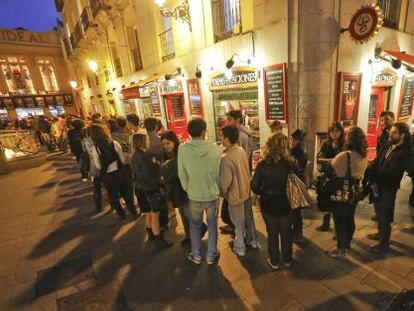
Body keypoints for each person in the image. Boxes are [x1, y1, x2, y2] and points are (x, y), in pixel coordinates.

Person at [178, 118, 221, 265]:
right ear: (203, 132)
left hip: (194, 195)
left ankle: (196, 255)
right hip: (211, 194)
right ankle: (211, 255)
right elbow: (218, 171)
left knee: (194, 225)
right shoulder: (214, 148)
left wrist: (187, 188)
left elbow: (181, 173)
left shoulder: (182, 149)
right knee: (213, 224)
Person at [365, 122, 412, 253]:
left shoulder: (405, 152)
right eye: (391, 132)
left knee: (385, 214)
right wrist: (370, 171)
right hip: (376, 185)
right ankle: (380, 234)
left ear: (402, 135)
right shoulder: (388, 145)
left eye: (394, 132)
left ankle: (384, 243)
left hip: (388, 188)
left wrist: (376, 177)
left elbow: (392, 172)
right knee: (378, 211)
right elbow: (377, 160)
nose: (390, 134)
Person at [251, 133, 295, 270]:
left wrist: (262, 193)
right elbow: (298, 181)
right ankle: (287, 259)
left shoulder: (263, 164)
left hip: (269, 202)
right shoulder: (290, 163)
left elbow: (254, 185)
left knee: (272, 232)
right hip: (286, 202)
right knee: (286, 232)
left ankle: (274, 260)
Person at [160, 130, 207, 246]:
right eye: (164, 144)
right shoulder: (168, 155)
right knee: (183, 214)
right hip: (177, 189)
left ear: (174, 142)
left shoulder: (181, 152)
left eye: (168, 143)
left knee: (189, 215)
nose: (166, 146)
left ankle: (199, 231)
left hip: (186, 189)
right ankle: (188, 236)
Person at [329, 127, 368, 258]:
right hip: (354, 192)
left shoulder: (345, 155)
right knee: (350, 217)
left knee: (339, 220)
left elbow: (330, 169)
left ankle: (341, 250)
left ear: (349, 139)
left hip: (341, 192)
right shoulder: (364, 156)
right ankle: (348, 243)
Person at [220, 125, 258, 257]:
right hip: (246, 191)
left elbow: (225, 182)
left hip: (235, 195)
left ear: (227, 138)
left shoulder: (226, 157)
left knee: (238, 222)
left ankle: (240, 247)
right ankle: (252, 241)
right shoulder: (241, 150)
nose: (221, 138)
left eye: (222, 136)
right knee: (249, 218)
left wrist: (223, 193)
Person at [131, 133, 172, 249]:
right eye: (147, 140)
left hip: (139, 188)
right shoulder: (145, 156)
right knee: (155, 215)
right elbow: (152, 174)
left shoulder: (134, 155)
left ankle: (150, 234)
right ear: (143, 141)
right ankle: (159, 240)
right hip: (150, 189)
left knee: (148, 212)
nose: (148, 141)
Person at [90, 124, 138, 220]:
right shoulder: (114, 143)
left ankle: (121, 214)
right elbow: (123, 160)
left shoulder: (95, 148)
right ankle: (133, 212)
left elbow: (98, 165)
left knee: (113, 196)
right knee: (126, 194)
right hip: (119, 173)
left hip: (107, 176)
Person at [220, 110, 254, 236]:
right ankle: (245, 233)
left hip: (239, 176)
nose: (227, 122)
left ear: (237, 120)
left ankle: (240, 233)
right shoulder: (243, 134)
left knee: (240, 208)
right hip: (242, 174)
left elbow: (242, 155)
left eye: (230, 120)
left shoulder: (240, 135)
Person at [316, 122, 345, 232]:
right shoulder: (325, 143)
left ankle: (338, 229)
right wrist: (332, 160)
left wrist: (327, 161)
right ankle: (325, 224)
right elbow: (318, 158)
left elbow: (342, 161)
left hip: (339, 177)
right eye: (332, 131)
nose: (334, 133)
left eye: (337, 131)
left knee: (338, 203)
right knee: (325, 201)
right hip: (327, 176)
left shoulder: (344, 144)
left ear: (341, 132)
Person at [290, 129, 308, 243]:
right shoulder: (303, 149)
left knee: (295, 210)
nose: (291, 141)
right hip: (300, 180)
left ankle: (297, 234)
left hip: (294, 182)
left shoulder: (296, 150)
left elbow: (294, 167)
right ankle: (298, 233)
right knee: (296, 210)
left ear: (296, 140)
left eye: (292, 139)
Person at [82, 126, 102, 211]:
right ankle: (113, 204)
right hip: (101, 164)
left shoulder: (84, 140)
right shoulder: (97, 140)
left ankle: (98, 205)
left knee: (96, 187)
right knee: (108, 186)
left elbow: (84, 151)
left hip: (92, 165)